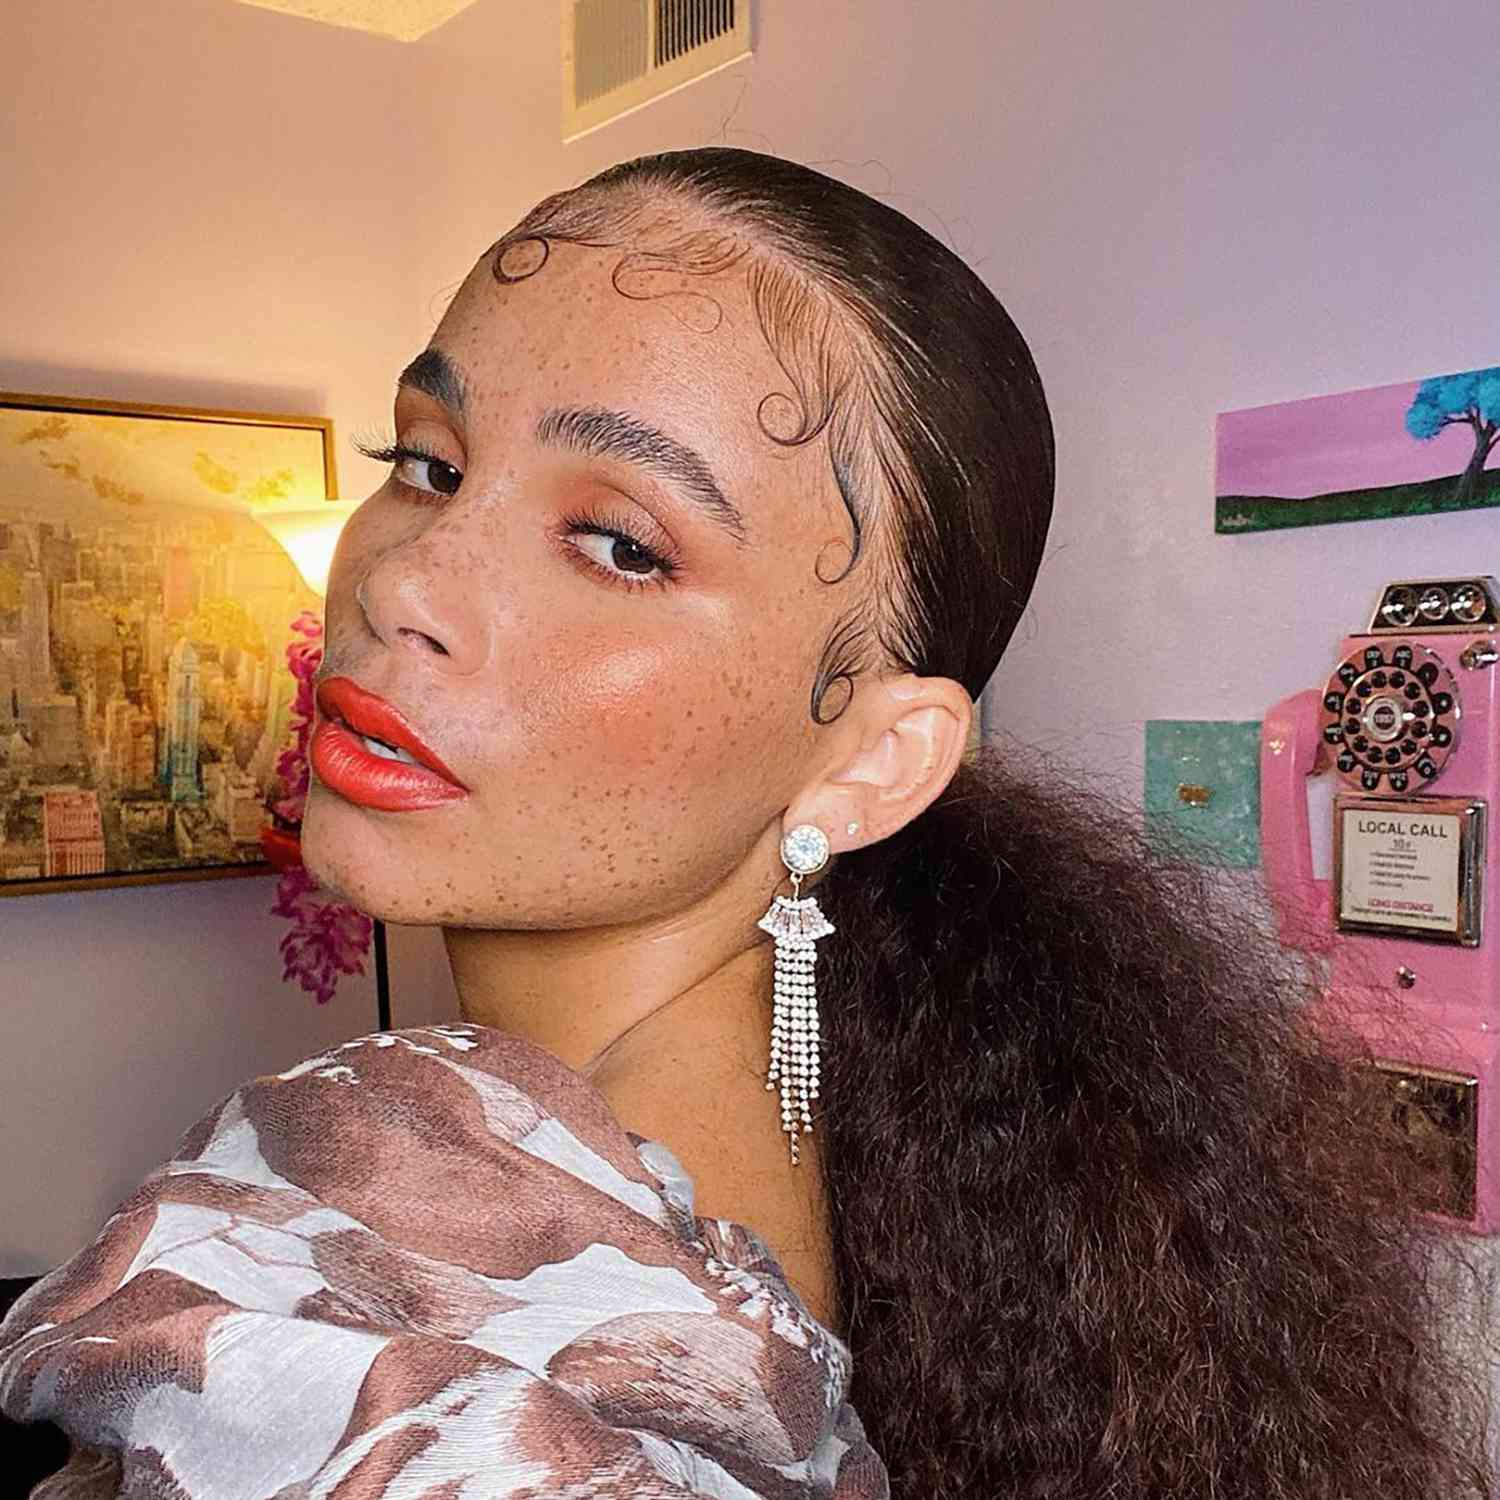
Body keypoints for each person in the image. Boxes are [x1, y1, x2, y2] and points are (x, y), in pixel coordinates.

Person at [0, 148, 1487, 1498]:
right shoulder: (859, 1191)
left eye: (618, 542)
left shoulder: (428, 1333)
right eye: (431, 463)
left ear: (876, 761)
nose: (404, 580)